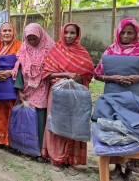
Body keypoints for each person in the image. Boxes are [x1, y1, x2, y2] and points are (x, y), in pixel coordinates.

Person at [41, 23, 94, 175]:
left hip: (76, 96)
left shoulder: (82, 52)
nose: (69, 36)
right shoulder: (56, 50)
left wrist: (77, 78)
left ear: (78, 35)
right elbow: (47, 74)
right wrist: (67, 74)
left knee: (75, 126)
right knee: (56, 123)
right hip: (57, 94)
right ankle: (56, 157)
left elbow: (89, 73)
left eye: (72, 33)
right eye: (66, 33)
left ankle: (72, 161)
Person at [94, 18, 139, 181]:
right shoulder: (111, 49)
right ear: (118, 32)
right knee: (115, 127)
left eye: (130, 33)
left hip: (135, 96)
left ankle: (130, 169)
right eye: (123, 32)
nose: (126, 36)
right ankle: (116, 166)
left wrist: (138, 78)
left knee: (133, 127)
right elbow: (97, 74)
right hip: (113, 97)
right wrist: (113, 78)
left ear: (137, 33)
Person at [11, 23, 55, 162]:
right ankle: (29, 149)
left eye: (34, 38)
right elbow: (18, 69)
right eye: (28, 39)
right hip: (27, 88)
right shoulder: (24, 49)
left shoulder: (50, 48)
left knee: (41, 121)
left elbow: (54, 68)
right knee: (28, 122)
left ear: (40, 35)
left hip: (43, 88)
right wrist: (19, 90)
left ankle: (42, 152)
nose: (31, 42)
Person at [0, 22, 22, 147]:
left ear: (14, 32)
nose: (7, 33)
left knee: (13, 111)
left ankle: (12, 142)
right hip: (0, 85)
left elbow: (24, 65)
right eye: (4, 31)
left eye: (9, 31)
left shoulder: (19, 46)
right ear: (0, 33)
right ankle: (0, 140)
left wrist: (10, 72)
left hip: (14, 84)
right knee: (1, 110)